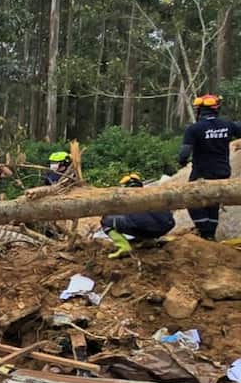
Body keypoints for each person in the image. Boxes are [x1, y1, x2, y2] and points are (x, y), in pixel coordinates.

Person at [179, 93, 241, 240]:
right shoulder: (227, 125)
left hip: (202, 172)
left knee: (190, 198)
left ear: (200, 110)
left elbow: (184, 152)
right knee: (213, 201)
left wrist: (182, 162)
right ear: (215, 109)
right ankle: (210, 233)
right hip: (223, 172)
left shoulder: (194, 129)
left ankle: (204, 229)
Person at [101, 173, 175, 259]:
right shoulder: (153, 193)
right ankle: (149, 240)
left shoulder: (124, 198)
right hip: (166, 227)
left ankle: (124, 247)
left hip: (144, 228)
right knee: (140, 218)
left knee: (106, 220)